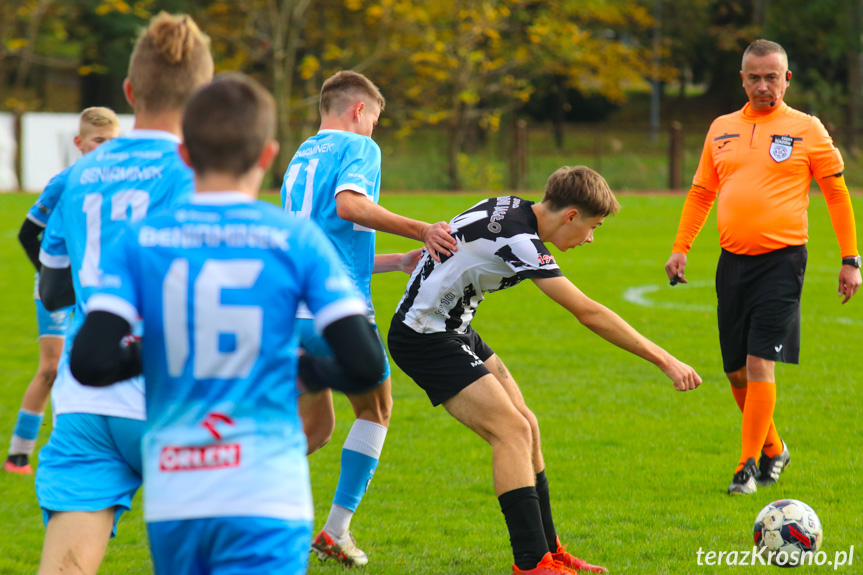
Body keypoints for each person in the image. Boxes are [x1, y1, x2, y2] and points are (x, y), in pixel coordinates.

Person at [69, 73, 385, 575]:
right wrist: (290, 365)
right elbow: (365, 365)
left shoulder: (142, 240)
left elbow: (88, 361)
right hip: (267, 490)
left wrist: (166, 351)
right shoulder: (294, 241)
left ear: (187, 156)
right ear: (267, 156)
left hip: (180, 488)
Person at [388, 166, 702, 575]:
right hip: (424, 336)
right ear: (571, 215)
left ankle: (550, 551)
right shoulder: (521, 239)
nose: (590, 238)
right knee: (511, 431)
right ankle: (531, 564)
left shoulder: (513, 205)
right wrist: (666, 359)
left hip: (453, 327)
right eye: (593, 227)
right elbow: (587, 312)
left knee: (527, 426)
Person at [35, 13, 213, 574]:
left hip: (85, 400)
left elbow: (53, 285)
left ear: (130, 92)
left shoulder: (79, 174)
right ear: (204, 95)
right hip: (171, 396)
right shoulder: (200, 169)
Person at [664, 39, 861, 495]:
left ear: (786, 78)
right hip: (731, 262)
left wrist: (850, 259)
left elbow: (836, 195)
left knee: (758, 364)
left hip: (783, 262)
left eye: (772, 76)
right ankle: (774, 447)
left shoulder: (807, 129)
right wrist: (681, 246)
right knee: (735, 370)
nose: (763, 85)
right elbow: (700, 193)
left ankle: (746, 467)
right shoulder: (721, 128)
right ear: (742, 79)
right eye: (754, 77)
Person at [280, 69, 458, 567]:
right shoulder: (359, 147)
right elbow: (351, 206)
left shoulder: (299, 157)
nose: (374, 130)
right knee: (376, 410)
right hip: (336, 312)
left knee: (313, 429)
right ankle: (336, 530)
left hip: (292, 309)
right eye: (375, 120)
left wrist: (392, 262)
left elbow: (322, 238)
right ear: (360, 110)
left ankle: (235, 497)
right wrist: (420, 229)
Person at [5, 107, 120, 475]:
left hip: (97, 290)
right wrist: (48, 277)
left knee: (92, 365)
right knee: (52, 368)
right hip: (56, 289)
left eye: (112, 141)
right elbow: (27, 233)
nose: (105, 148)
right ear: (79, 143)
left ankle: (85, 448)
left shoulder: (121, 182)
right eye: (98, 141)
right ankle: (18, 454)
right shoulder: (66, 180)